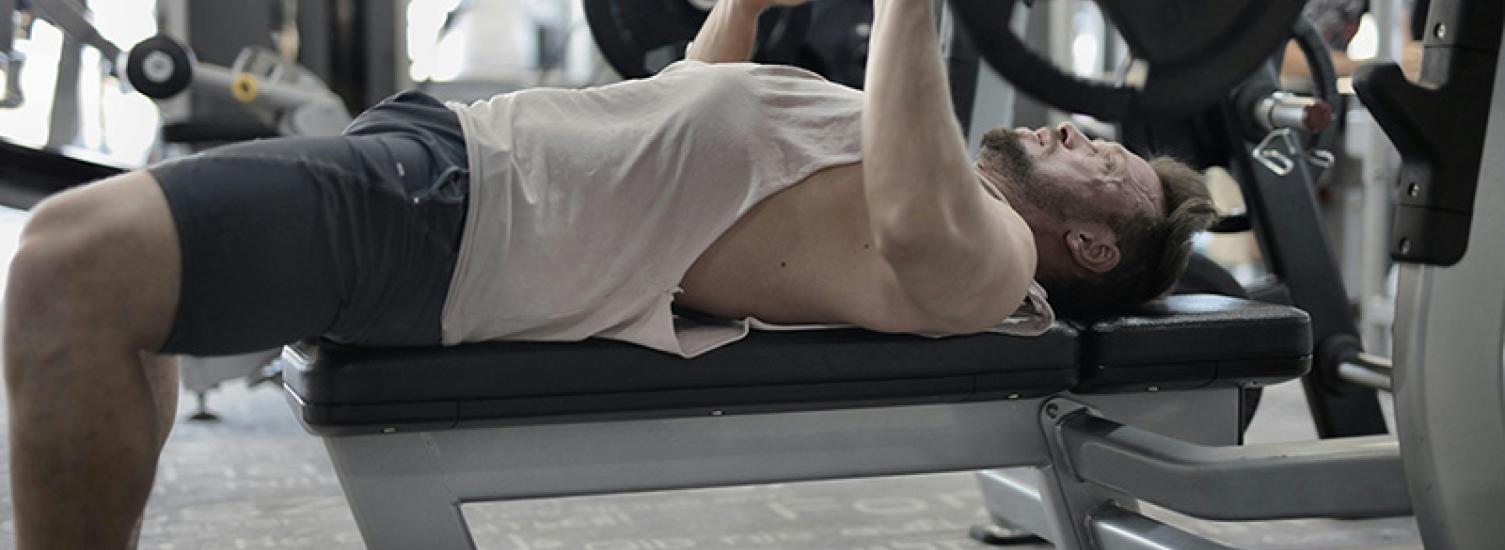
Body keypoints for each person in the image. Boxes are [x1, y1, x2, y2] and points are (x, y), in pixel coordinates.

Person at [2, 0, 1214, 547]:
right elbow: (690, 99)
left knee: (67, 265)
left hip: (462, 225)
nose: (1077, 133)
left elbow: (906, 218)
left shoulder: (992, 261)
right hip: (448, 161)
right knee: (126, 297)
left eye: (1107, 162)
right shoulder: (926, 154)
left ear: (1093, 248)